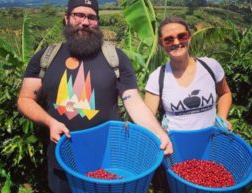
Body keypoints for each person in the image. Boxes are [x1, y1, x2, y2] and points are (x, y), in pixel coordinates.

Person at [17, 0, 173, 192]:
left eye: (91, 17)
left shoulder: (115, 58)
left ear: (97, 22)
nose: (85, 22)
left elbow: (133, 101)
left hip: (107, 161)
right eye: (78, 15)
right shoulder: (46, 57)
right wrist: (50, 122)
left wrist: (158, 132)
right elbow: (25, 99)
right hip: (61, 163)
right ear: (66, 18)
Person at [144, 16, 232, 193]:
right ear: (162, 44)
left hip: (210, 144)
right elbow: (147, 117)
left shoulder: (210, 66)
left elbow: (225, 93)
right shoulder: (158, 77)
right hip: (177, 151)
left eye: (181, 36)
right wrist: (160, 132)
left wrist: (222, 117)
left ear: (189, 37)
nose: (176, 42)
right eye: (169, 39)